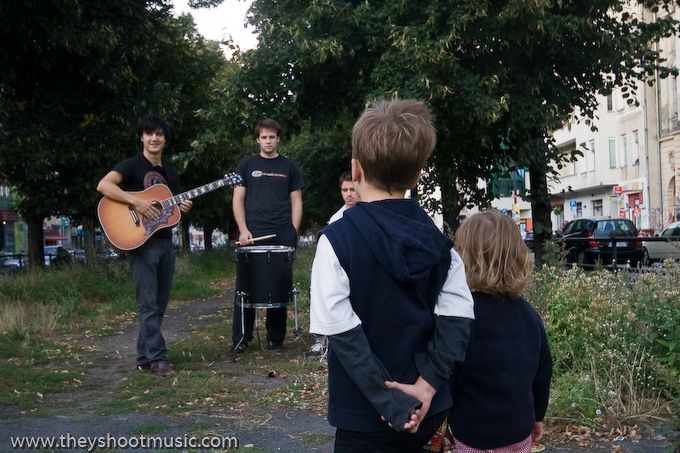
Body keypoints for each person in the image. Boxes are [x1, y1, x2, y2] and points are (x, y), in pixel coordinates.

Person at [310, 99, 475, 452]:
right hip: (428, 412)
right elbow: (456, 323)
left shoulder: (335, 242)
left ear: (355, 169)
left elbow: (343, 333)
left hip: (364, 417)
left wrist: (389, 402)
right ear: (418, 175)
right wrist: (426, 387)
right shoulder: (442, 246)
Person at [448, 209, 553, 452]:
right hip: (518, 430)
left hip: (472, 432)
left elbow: (449, 374)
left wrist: (443, 420)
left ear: (464, 259)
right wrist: (538, 415)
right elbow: (543, 372)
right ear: (518, 257)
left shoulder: (461, 318)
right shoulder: (529, 315)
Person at [97, 115, 193, 377]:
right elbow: (104, 185)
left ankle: (144, 357)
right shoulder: (131, 165)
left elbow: (172, 209)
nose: (154, 138)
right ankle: (158, 359)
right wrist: (136, 202)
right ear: (142, 137)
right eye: (149, 133)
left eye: (159, 134)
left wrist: (182, 205)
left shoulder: (170, 172)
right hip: (141, 244)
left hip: (165, 242)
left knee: (159, 304)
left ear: (165, 139)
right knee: (148, 303)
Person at [232, 119, 304, 353]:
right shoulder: (246, 166)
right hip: (253, 234)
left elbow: (296, 201)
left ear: (278, 138)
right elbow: (238, 200)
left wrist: (293, 230)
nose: (268, 141)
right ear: (258, 140)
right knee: (246, 286)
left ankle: (276, 338)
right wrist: (243, 229)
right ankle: (241, 338)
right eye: (264, 137)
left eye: (272, 137)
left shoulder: (290, 167)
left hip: (282, 233)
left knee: (279, 285)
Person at [307, 170, 357, 357]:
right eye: (345, 190)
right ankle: (321, 339)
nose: (348, 194)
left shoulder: (369, 212)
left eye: (352, 189)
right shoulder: (336, 219)